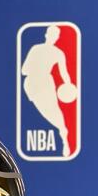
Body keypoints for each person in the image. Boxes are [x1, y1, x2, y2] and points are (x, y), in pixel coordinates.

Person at [21, 25, 75, 157]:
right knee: (45, 112)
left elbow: (64, 73)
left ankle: (64, 135)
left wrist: (68, 85)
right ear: (47, 35)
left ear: (56, 38)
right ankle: (63, 131)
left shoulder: (58, 53)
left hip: (46, 84)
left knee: (54, 112)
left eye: (55, 35)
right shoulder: (36, 49)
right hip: (32, 85)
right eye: (51, 34)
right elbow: (23, 70)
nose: (52, 37)